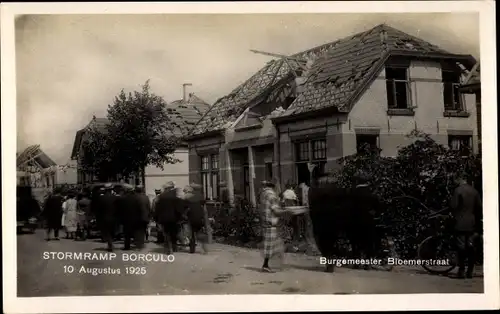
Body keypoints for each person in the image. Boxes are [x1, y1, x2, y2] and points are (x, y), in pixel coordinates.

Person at [450, 173, 483, 279]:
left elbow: (453, 206)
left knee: (461, 247)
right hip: (472, 224)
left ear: (459, 179)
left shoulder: (458, 191)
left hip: (460, 223)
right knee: (471, 247)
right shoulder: (474, 191)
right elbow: (479, 208)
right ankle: (470, 271)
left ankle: (461, 271)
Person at [259, 180, 289, 273]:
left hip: (265, 221)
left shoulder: (263, 194)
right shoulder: (272, 196)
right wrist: (286, 211)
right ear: (275, 187)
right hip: (271, 223)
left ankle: (271, 264)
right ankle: (266, 265)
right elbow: (276, 211)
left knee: (272, 244)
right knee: (271, 244)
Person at [155, 181, 183, 254]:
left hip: (164, 218)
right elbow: (179, 209)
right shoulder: (175, 196)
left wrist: (156, 218)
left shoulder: (161, 196)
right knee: (174, 232)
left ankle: (168, 247)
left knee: (166, 233)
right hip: (174, 218)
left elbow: (157, 209)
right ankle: (174, 246)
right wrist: (180, 217)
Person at [184, 184, 209, 254]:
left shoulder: (188, 198)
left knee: (191, 234)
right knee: (199, 232)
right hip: (199, 217)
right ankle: (204, 247)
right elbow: (204, 209)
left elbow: (185, 209)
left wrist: (185, 216)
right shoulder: (201, 197)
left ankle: (192, 249)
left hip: (191, 218)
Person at [96, 184, 118, 252]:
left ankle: (110, 243)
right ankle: (111, 243)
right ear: (111, 189)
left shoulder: (101, 198)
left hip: (104, 217)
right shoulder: (115, 197)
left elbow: (98, 209)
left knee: (107, 231)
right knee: (112, 231)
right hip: (114, 217)